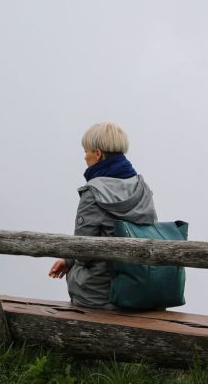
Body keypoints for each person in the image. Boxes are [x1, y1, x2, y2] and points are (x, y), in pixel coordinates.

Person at [48, 122, 157, 309]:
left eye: (86, 151)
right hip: (139, 288)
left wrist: (70, 261)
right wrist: (67, 259)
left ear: (97, 154)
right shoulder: (142, 188)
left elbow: (82, 250)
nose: (84, 157)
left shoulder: (93, 192)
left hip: (100, 296)